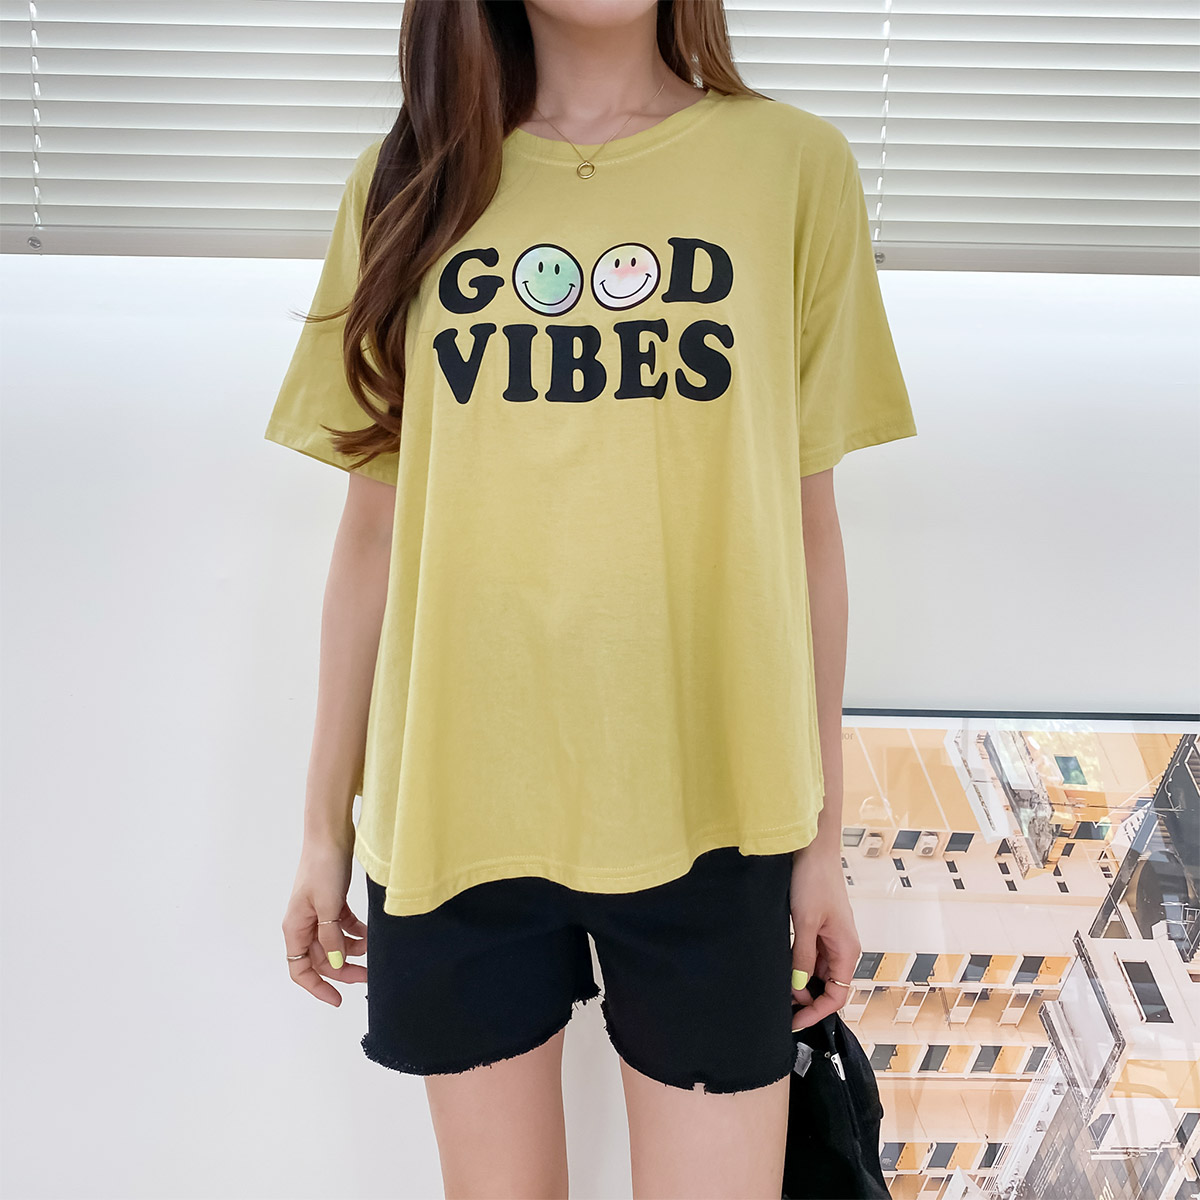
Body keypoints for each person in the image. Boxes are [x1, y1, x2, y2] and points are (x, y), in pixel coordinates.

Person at [266, 1, 917, 1195]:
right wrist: (322, 829)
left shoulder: (792, 168)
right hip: (459, 808)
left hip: (716, 805)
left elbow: (807, 532)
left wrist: (821, 844)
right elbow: (372, 536)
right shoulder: (407, 184)